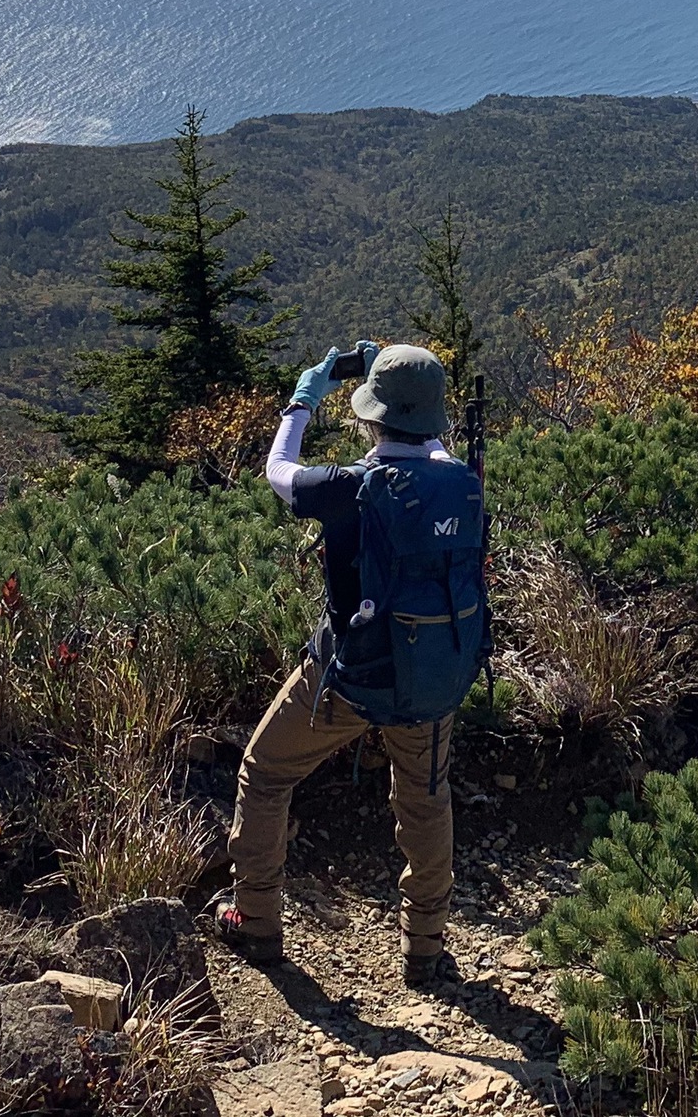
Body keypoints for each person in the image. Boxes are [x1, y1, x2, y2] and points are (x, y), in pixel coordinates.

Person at [213, 341, 479, 988]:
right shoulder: (460, 480)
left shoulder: (346, 489)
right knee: (425, 801)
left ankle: (257, 920)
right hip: (430, 681)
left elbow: (278, 471)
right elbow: (422, 453)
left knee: (266, 773)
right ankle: (425, 947)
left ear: (370, 417)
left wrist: (305, 397)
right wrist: (397, 368)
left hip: (348, 679)